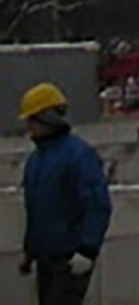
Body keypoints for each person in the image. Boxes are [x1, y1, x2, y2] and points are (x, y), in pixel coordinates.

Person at [18, 82, 111, 304]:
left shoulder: (78, 156)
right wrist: (30, 251)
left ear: (46, 119)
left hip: (69, 258)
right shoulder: (35, 161)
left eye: (32, 119)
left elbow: (97, 205)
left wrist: (87, 250)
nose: (29, 127)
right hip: (45, 259)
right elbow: (35, 210)